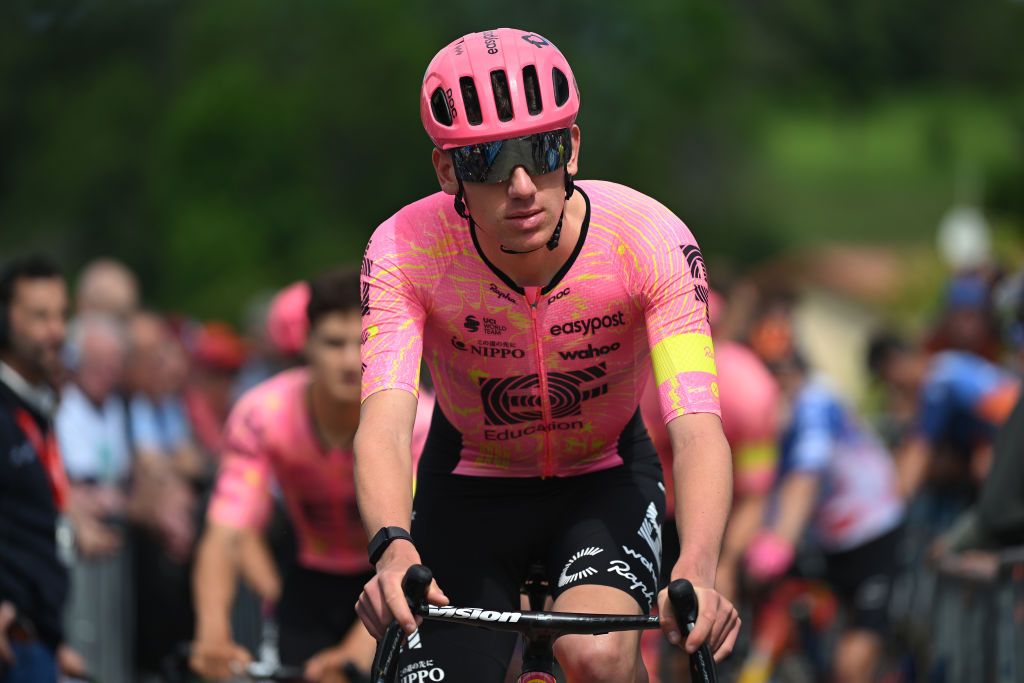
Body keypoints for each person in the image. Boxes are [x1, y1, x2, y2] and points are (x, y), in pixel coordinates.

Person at [354, 28, 739, 683]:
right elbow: (384, 426)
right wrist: (391, 547)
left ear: (575, 147)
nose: (524, 185)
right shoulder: (404, 248)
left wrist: (699, 566)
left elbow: (697, 426)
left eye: (544, 149)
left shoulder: (647, 238)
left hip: (604, 479)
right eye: (490, 163)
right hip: (469, 484)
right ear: (448, 172)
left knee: (596, 655)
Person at [191, 270, 402, 682]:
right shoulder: (264, 415)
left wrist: (356, 649)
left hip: (394, 577)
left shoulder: (415, 420)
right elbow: (227, 532)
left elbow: (430, 538)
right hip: (311, 584)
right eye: (332, 343)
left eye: (361, 342)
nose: (347, 360)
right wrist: (212, 631)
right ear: (305, 344)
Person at [742, 352, 904, 683]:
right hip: (826, 536)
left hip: (871, 531)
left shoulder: (816, 400)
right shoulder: (772, 412)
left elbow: (804, 481)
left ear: (797, 376)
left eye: (780, 381)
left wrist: (778, 542)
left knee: (850, 664)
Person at [0, 256, 83, 682]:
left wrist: (54, 638)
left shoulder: (36, 407)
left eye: (61, 315)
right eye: (39, 316)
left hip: (35, 640)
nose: (57, 331)